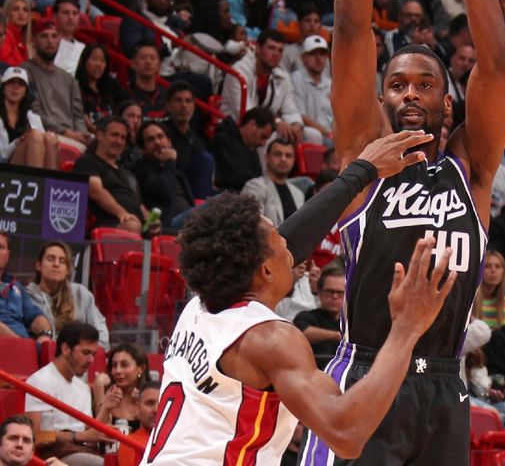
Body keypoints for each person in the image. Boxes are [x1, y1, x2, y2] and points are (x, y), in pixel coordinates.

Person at [301, 0, 505, 461]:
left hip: (446, 383)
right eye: (397, 85)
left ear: (449, 103)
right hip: (367, 372)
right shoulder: (365, 154)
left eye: (426, 85)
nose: (411, 95)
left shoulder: (472, 170)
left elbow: (497, 66)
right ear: (381, 98)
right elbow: (348, 30)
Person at [143, 131, 459, 464]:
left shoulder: (199, 307)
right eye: (280, 244)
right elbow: (346, 434)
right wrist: (406, 329)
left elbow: (291, 239)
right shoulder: (270, 338)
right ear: (265, 271)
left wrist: (362, 171)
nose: (291, 248)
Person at [25, 322, 110, 465]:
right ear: (65, 349)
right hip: (56, 454)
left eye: (93, 354)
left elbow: (91, 432)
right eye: (85, 353)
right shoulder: (40, 381)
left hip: (85, 451)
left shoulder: (83, 388)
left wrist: (104, 400)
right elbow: (37, 436)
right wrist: (80, 436)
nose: (91, 360)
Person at [73, 116, 151, 233]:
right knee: (132, 226)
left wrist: (151, 221)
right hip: (109, 224)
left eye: (123, 137)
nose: (119, 141)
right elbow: (96, 192)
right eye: (114, 135)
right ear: (99, 135)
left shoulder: (126, 172)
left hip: (138, 226)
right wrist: (122, 214)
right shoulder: (88, 162)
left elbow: (138, 203)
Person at [25, 241, 109, 349]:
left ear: (67, 270)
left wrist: (87, 352)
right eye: (50, 259)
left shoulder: (81, 294)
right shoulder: (27, 296)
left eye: (62, 261)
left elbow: (101, 335)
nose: (56, 264)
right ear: (39, 265)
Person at [22, 19, 90, 148]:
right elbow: (34, 112)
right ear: (34, 41)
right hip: (44, 136)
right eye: (44, 36)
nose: (50, 41)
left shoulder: (69, 79)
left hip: (73, 136)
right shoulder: (25, 71)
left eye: (54, 36)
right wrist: (65, 132)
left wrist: (82, 134)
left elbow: (78, 116)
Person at [132, 121, 195, 231]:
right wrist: (169, 162)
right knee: (218, 203)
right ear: (143, 149)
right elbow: (165, 191)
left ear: (169, 141)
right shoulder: (141, 168)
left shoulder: (175, 167)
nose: (157, 142)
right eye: (150, 140)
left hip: (189, 221)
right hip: (167, 225)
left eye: (160, 137)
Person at [0, 67, 59, 169]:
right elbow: (2, 156)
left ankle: (51, 182)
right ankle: (38, 181)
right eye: (11, 82)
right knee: (35, 135)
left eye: (20, 84)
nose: (15, 87)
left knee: (51, 137)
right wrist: (17, 143)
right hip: (5, 169)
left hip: (27, 162)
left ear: (25, 91)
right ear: (3, 88)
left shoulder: (32, 117)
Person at [0, 233, 53, 341]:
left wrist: (45, 335)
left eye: (1, 247)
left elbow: (35, 315)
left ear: (8, 255)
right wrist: (21, 345)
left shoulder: (16, 286)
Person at [242, 137, 305, 225]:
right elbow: (253, 224)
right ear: (267, 157)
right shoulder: (254, 186)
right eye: (278, 154)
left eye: (288, 155)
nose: (283, 159)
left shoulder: (298, 194)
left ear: (294, 161)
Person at [294, 264, 345, 369]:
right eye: (330, 291)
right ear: (319, 291)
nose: (335, 296)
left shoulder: (352, 323)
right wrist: (337, 335)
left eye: (340, 293)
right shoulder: (306, 317)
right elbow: (300, 333)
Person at [211, 106, 273, 191]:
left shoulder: (252, 149)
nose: (263, 143)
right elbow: (231, 177)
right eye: (263, 136)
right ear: (251, 124)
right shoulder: (223, 140)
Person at [116, 381, 159, 466]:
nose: (156, 409)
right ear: (137, 408)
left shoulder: (181, 441)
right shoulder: (129, 442)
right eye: (150, 403)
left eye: (162, 404)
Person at [473, 250, 505, 330]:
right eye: (487, 266)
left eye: (498, 266)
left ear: (503, 272)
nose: (493, 270)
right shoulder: (470, 300)